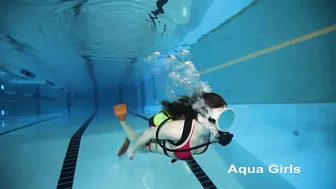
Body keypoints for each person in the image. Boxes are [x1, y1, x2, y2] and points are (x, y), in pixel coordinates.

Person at [113, 92, 234, 162]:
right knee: (140, 146)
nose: (219, 127)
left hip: (176, 143)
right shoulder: (178, 130)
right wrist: (132, 149)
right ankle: (122, 120)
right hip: (159, 135)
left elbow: (214, 130)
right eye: (218, 119)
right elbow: (149, 133)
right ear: (202, 118)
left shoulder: (210, 127)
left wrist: (219, 139)